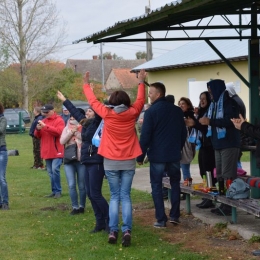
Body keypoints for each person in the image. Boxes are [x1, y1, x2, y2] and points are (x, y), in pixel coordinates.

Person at [82, 69, 146, 247]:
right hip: (128, 161)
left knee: (114, 195)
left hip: (110, 161)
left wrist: (86, 84)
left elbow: (93, 101)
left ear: (111, 102)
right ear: (127, 102)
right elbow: (141, 101)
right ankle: (126, 229)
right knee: (125, 195)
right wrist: (141, 82)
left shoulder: (107, 114)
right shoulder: (133, 113)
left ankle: (113, 231)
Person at [57, 91, 109, 233]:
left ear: (96, 113)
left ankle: (109, 220)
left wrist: (92, 95)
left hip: (96, 162)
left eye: (90, 110)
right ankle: (100, 223)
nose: (87, 112)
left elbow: (98, 109)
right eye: (87, 110)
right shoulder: (86, 123)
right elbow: (75, 111)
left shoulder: (98, 122)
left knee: (96, 193)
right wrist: (64, 100)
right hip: (87, 161)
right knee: (90, 194)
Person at [137, 82, 187, 228]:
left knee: (157, 186)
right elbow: (183, 133)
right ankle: (175, 215)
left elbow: (145, 136)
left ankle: (161, 218)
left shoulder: (151, 112)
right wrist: (178, 147)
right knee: (175, 184)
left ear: (158, 94)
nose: (149, 95)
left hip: (157, 155)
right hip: (173, 154)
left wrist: (140, 156)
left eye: (151, 93)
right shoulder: (177, 111)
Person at [199, 79, 240, 216]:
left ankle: (229, 205)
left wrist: (210, 121)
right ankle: (223, 202)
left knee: (228, 174)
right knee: (220, 174)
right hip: (218, 144)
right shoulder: (214, 105)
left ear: (217, 90)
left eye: (211, 91)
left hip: (229, 143)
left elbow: (230, 121)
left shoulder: (229, 103)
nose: (210, 94)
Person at [185, 91, 216, 208]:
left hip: (210, 147)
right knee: (202, 171)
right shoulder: (201, 112)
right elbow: (196, 124)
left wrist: (195, 124)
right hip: (202, 146)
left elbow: (205, 129)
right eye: (200, 98)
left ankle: (210, 197)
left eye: (204, 98)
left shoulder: (211, 112)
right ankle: (206, 195)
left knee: (209, 173)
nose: (202, 101)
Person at [34, 104, 64, 198]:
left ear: (53, 110)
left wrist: (45, 126)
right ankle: (54, 191)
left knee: (55, 170)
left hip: (57, 150)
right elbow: (37, 136)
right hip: (47, 151)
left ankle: (58, 191)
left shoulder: (59, 120)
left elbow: (58, 132)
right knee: (50, 172)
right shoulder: (43, 121)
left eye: (47, 112)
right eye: (44, 112)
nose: (45, 114)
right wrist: (38, 129)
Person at [60, 108, 87, 215]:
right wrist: (71, 132)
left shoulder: (85, 127)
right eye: (71, 118)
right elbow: (62, 141)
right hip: (69, 160)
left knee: (81, 185)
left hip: (81, 160)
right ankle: (75, 206)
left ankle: (82, 206)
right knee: (71, 184)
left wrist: (77, 133)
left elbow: (85, 139)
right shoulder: (66, 128)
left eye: (74, 118)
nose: (72, 120)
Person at [226, 82, 246, 169]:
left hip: (237, 133)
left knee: (235, 162)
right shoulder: (238, 99)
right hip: (240, 132)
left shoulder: (234, 102)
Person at [178, 97, 196, 189]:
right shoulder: (177, 115)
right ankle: (180, 188)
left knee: (185, 168)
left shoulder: (191, 115)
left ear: (188, 105)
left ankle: (187, 189)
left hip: (187, 145)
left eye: (183, 104)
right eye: (179, 104)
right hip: (178, 144)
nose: (181, 105)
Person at [0, 103, 9, 210]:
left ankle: (5, 202)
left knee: (1, 178)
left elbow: (1, 130)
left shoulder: (2, 119)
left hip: (1, 151)